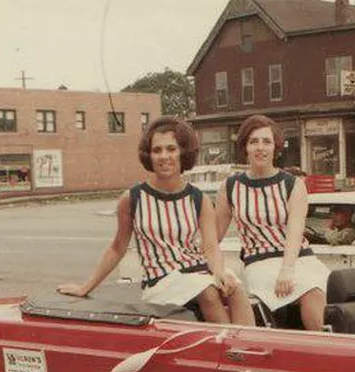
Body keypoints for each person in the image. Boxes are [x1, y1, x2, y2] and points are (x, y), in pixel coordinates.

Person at [57, 116, 254, 326]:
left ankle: (251, 348)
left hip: (197, 270)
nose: (164, 156)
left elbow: (211, 247)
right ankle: (229, 351)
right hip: (161, 281)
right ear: (148, 156)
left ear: (183, 152)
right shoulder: (132, 198)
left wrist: (220, 272)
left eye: (171, 149)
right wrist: (85, 287)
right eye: (157, 150)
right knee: (209, 293)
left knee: (236, 288)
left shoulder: (199, 198)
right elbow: (117, 248)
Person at [216, 114, 329, 331]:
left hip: (297, 259)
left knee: (322, 289)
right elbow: (214, 236)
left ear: (276, 147)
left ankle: (329, 349)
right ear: (245, 147)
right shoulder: (230, 186)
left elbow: (295, 233)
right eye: (254, 142)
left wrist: (287, 269)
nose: (260, 148)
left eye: (266, 142)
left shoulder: (293, 184)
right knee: (311, 291)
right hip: (259, 262)